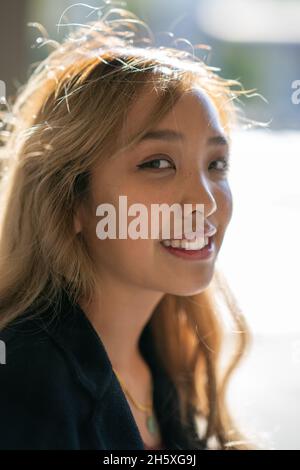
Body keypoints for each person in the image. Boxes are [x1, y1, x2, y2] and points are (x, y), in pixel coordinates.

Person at [0, 3, 254, 450]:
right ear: (72, 201)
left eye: (216, 164)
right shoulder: (24, 381)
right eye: (158, 163)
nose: (206, 200)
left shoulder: (166, 359)